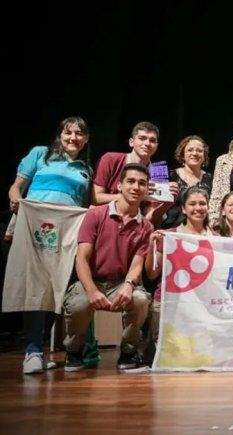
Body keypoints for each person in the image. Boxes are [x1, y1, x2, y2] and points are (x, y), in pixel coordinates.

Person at [5, 117, 92, 374]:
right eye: (68, 133)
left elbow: (83, 204)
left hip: (65, 234)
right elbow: (16, 188)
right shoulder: (40, 155)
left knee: (55, 288)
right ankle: (32, 350)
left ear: (86, 139)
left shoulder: (85, 169)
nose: (73, 138)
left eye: (79, 134)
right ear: (60, 135)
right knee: (34, 285)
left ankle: (41, 349)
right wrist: (16, 201)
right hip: (34, 229)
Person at [62, 163, 154, 371]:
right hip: (92, 280)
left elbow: (137, 264)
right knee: (79, 303)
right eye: (130, 181)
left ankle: (128, 354)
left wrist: (129, 285)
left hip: (120, 281)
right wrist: (92, 290)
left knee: (140, 299)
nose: (136, 187)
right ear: (119, 186)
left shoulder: (146, 226)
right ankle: (74, 351)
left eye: (142, 183)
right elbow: (82, 258)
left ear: (147, 189)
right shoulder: (95, 214)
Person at [144, 187, 216, 361]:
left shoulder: (217, 238)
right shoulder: (169, 236)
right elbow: (152, 274)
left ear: (208, 207)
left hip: (203, 306)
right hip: (170, 303)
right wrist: (152, 246)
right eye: (192, 204)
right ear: (183, 208)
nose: (198, 208)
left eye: (202, 204)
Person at [161, 136, 213, 229]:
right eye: (190, 150)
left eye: (199, 151)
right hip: (172, 231)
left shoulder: (211, 179)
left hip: (202, 231)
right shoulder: (170, 176)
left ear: (204, 155)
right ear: (182, 154)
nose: (195, 153)